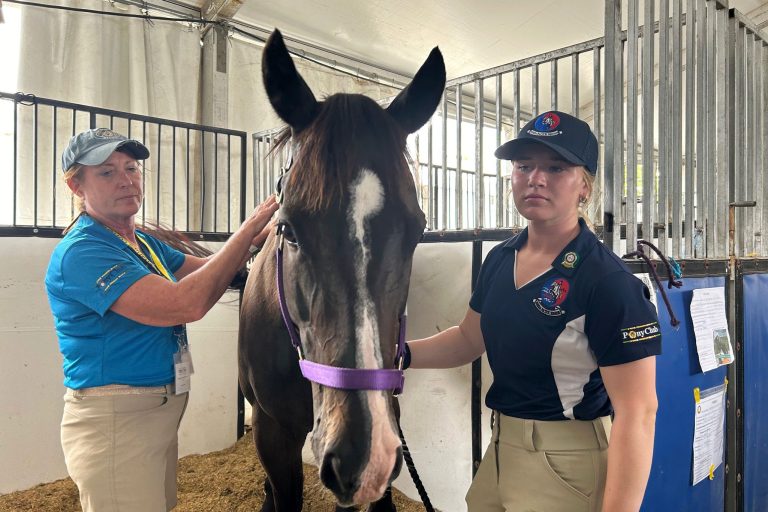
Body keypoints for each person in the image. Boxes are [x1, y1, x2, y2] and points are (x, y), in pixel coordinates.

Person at [406, 111, 660, 512]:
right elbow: (468, 339)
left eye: (556, 168)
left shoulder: (607, 281)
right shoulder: (499, 259)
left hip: (568, 464)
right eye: (524, 166)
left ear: (585, 186)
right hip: (501, 451)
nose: (535, 178)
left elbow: (639, 412)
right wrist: (394, 355)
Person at [44, 128, 279, 512]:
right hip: (118, 418)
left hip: (154, 411)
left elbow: (209, 269)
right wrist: (250, 226)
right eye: (106, 172)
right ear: (76, 186)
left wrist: (267, 234)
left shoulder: (140, 242)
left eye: (131, 168)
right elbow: (186, 303)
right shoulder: (84, 251)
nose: (126, 180)